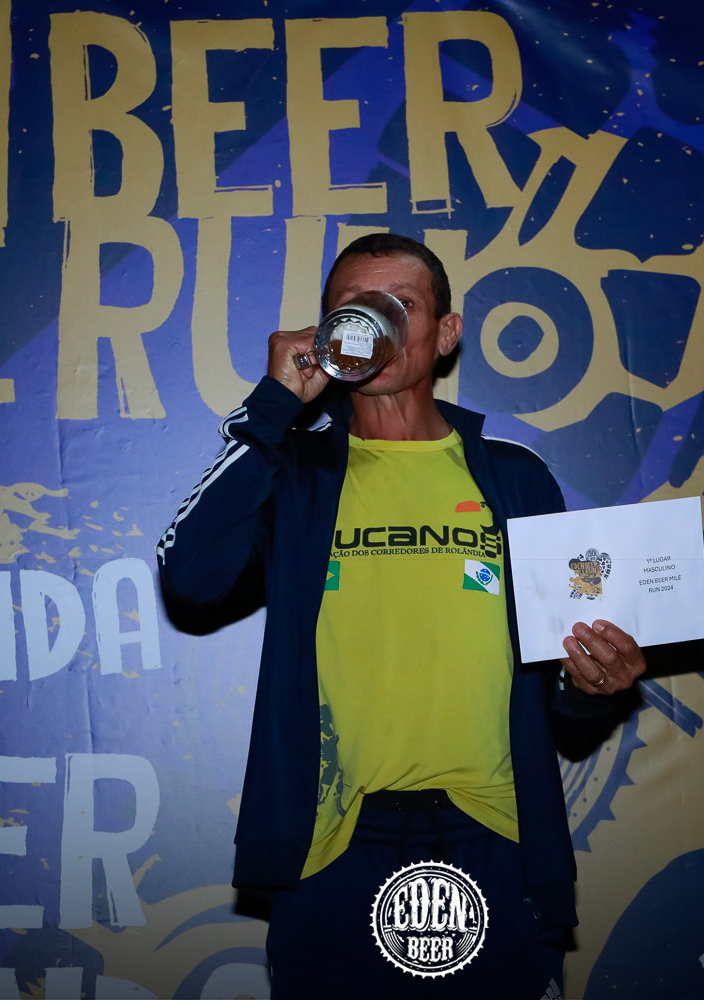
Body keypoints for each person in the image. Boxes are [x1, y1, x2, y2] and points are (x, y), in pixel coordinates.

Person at [156, 233, 646, 997]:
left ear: (445, 334)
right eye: (353, 308)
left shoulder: (514, 478)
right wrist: (274, 406)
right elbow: (189, 578)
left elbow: (562, 687)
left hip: (495, 833)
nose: (374, 323)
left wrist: (593, 687)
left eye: (400, 305)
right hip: (333, 842)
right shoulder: (294, 475)